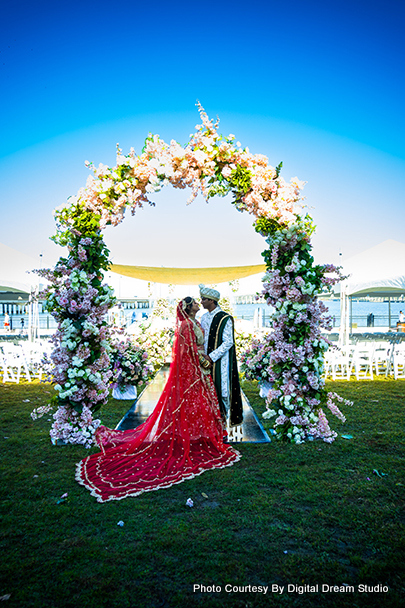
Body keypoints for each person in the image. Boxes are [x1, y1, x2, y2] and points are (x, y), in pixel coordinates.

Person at [76, 297, 240, 502]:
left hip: (201, 369)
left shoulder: (195, 323)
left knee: (200, 405)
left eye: (200, 302)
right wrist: (201, 365)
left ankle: (198, 436)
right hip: (197, 369)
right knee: (195, 405)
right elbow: (187, 351)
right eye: (195, 303)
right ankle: (194, 438)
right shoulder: (187, 325)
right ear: (189, 309)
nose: (198, 304)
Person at [199, 284, 243, 428]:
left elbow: (228, 342)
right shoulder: (204, 317)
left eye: (204, 299)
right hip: (205, 360)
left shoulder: (225, 318)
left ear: (212, 301)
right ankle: (210, 424)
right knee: (207, 390)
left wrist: (211, 357)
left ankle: (222, 425)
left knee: (222, 391)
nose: (201, 302)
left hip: (221, 361)